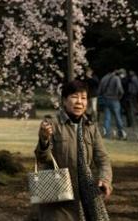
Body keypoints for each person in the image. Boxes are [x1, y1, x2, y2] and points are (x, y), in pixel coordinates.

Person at [36, 80, 111, 221]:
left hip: (86, 193)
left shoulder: (91, 127)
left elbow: (103, 158)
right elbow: (42, 158)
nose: (79, 102)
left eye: (83, 98)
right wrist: (44, 140)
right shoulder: (51, 123)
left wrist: (104, 179)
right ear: (64, 101)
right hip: (57, 192)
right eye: (74, 97)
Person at [97, 70, 126, 139]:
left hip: (106, 99)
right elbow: (120, 89)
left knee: (107, 117)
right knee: (117, 117)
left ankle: (106, 133)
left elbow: (99, 90)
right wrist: (119, 96)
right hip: (114, 99)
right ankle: (121, 133)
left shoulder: (104, 78)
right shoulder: (116, 78)